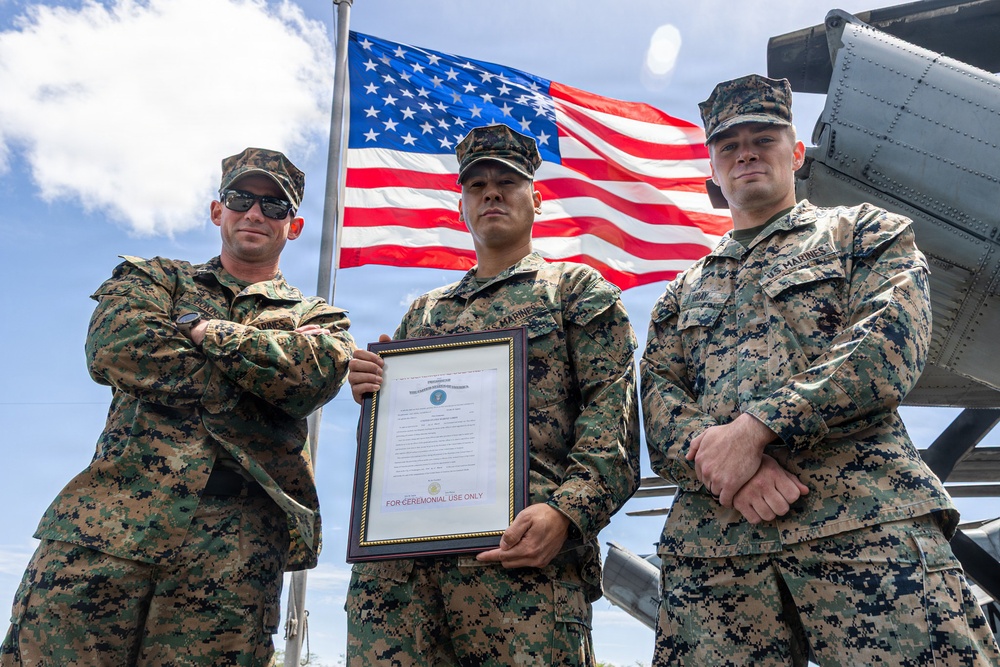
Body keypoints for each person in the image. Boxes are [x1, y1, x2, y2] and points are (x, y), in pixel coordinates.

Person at [640, 73, 1000, 666]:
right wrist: (739, 472)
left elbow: (886, 348)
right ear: (712, 171)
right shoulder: (681, 294)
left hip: (865, 525)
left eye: (765, 137)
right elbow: (659, 405)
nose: (747, 152)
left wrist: (755, 430)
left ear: (797, 153)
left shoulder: (866, 234)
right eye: (729, 145)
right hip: (718, 555)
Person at [1, 147, 355, 666]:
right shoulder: (157, 281)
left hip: (234, 553)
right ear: (219, 211)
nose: (255, 213)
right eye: (241, 198)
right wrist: (256, 376)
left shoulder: (321, 317)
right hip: (106, 527)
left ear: (293, 226)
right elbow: (118, 349)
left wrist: (201, 331)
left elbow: (307, 378)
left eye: (274, 206)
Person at [345, 124, 640, 666]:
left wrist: (565, 513)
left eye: (508, 181)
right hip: (400, 581)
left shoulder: (576, 291)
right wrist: (371, 389)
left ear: (537, 198)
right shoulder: (424, 313)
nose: (491, 193)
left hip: (521, 570)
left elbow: (612, 423)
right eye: (476, 185)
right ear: (462, 207)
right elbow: (399, 440)